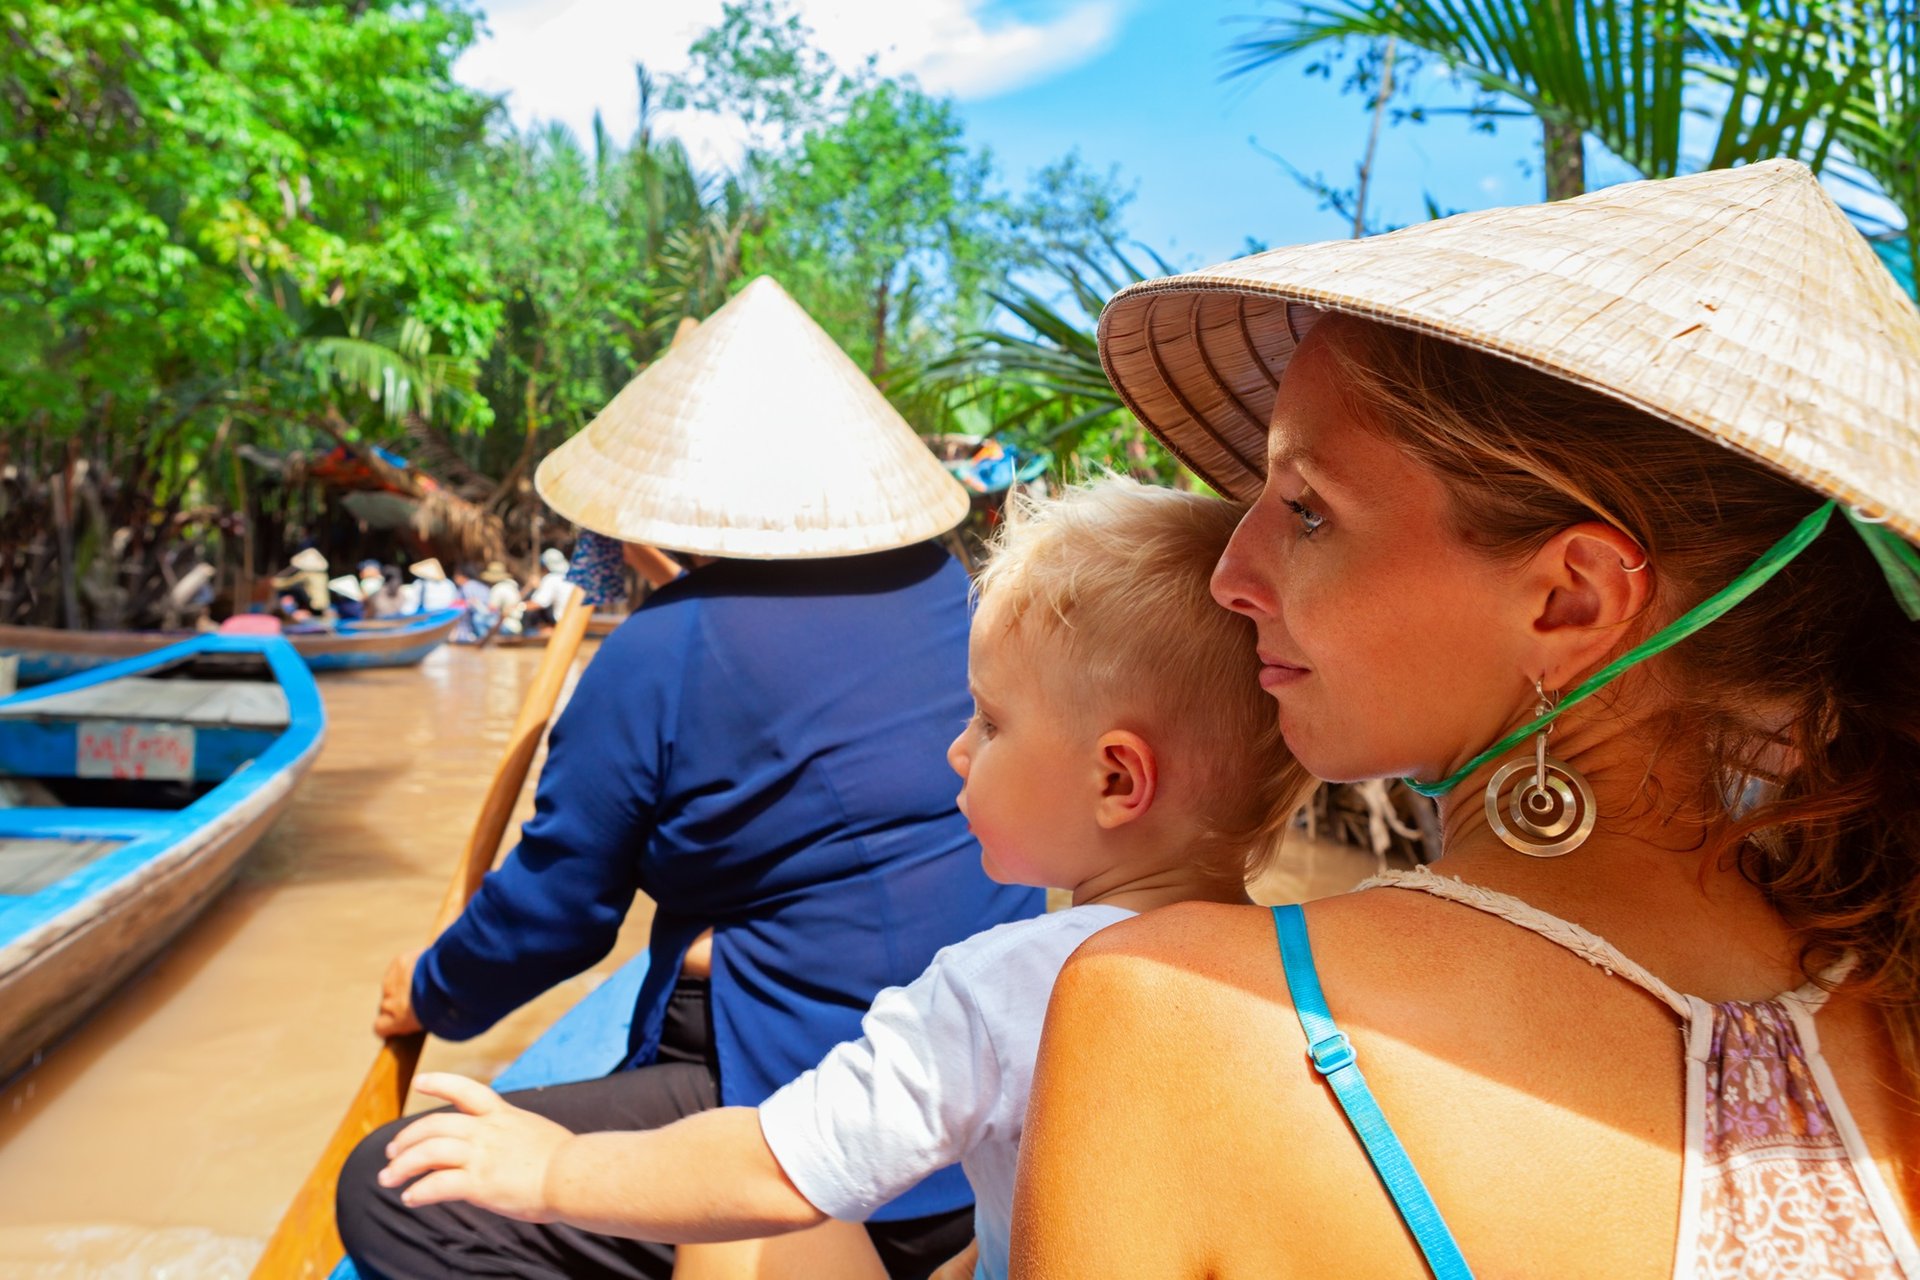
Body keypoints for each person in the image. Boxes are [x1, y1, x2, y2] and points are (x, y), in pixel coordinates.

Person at [1011, 160, 1920, 1278]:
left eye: (1306, 510)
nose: (1230, 572)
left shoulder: (1186, 1017)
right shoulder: (1891, 1011)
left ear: (1569, 598)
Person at [373, 479, 1314, 1280]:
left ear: (1116, 780)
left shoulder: (1003, 991)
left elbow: (770, 1168)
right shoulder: (1304, 964)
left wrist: (550, 1172)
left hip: (815, 1123)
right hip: (956, 1202)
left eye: (987, 723)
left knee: (391, 1188)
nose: (953, 749)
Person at [337, 276, 1042, 1280]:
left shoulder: (659, 654)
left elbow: (558, 915)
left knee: (395, 1189)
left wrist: (432, 990)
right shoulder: (945, 586)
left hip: (808, 1123)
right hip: (977, 1098)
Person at [522, 546, 573, 628]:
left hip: (561, 623)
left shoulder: (552, 579)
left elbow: (539, 603)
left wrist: (519, 607)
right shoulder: (573, 577)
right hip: (572, 620)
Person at [449, 563, 494, 642]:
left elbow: (472, 603)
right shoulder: (475, 585)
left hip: (479, 621)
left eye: (456, 575)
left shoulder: (468, 586)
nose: (454, 577)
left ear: (464, 576)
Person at [480, 560, 525, 636]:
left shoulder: (497, 588)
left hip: (506, 625)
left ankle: (483, 642)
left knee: (478, 619)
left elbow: (492, 609)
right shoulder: (512, 586)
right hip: (516, 625)